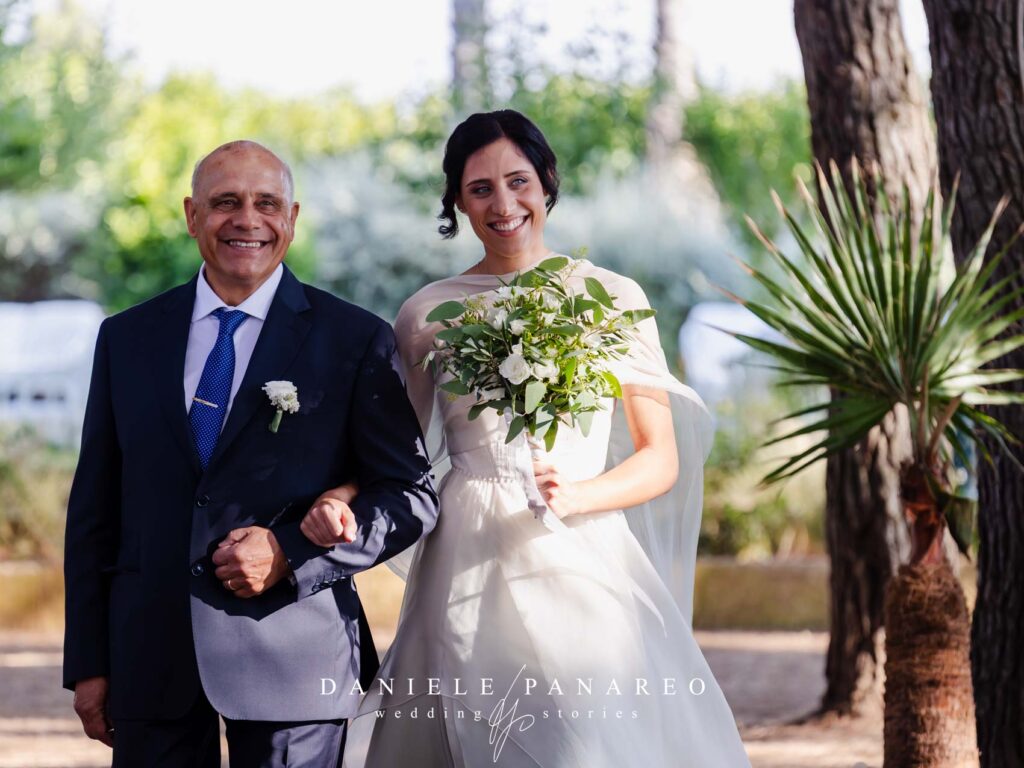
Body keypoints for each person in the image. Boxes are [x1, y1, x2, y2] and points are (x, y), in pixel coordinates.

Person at [303, 111, 752, 766]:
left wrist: (581, 495)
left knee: (583, 737)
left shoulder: (610, 297)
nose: (503, 204)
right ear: (458, 201)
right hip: (464, 545)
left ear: (546, 182)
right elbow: (394, 454)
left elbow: (660, 459)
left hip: (582, 543)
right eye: (480, 188)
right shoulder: (427, 312)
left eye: (518, 181)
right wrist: (337, 496)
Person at [62, 140, 439, 767]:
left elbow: (410, 497)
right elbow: (94, 512)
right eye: (225, 202)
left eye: (267, 203)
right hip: (151, 659)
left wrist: (291, 552)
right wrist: (89, 663)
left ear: (292, 218)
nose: (247, 220)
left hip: (295, 660)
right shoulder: (126, 338)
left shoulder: (353, 339)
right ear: (192, 215)